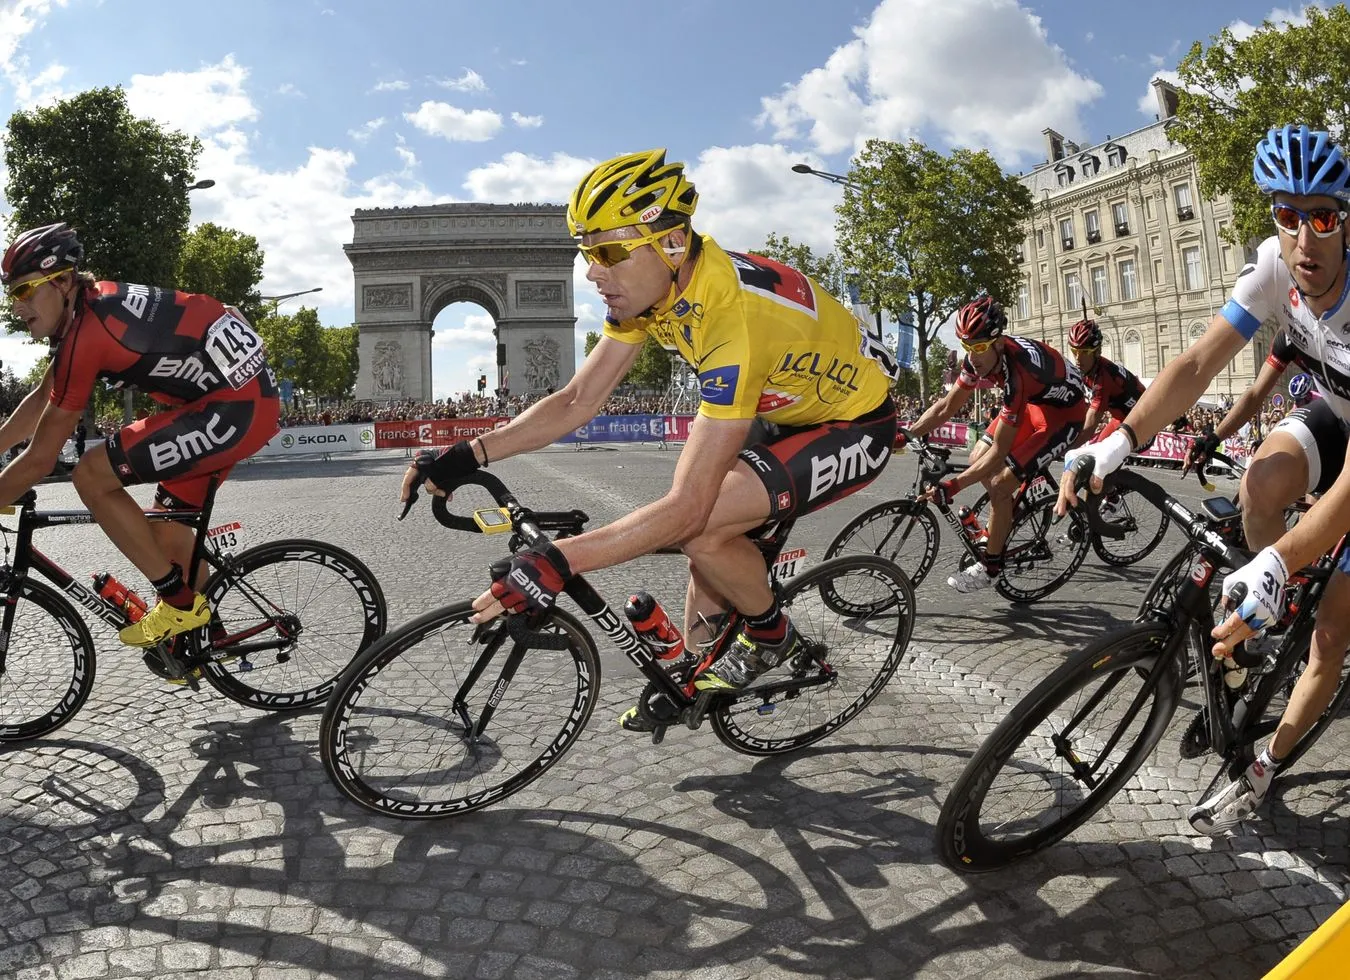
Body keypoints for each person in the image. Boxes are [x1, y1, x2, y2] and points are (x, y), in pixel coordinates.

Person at [401, 149, 899, 704]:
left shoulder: (735, 320)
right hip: (779, 407)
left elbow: (687, 508)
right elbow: (575, 401)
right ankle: (707, 656)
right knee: (703, 595)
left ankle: (770, 635)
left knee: (702, 527)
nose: (592, 271)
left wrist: (559, 561)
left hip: (853, 423)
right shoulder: (652, 288)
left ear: (671, 242)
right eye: (587, 251)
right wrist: (465, 455)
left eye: (610, 250)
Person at [1058, 125, 1350, 834]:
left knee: (1331, 639)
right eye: (1288, 215)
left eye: (1323, 217)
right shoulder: (1274, 268)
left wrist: (1286, 557)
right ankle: (1255, 629)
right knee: (1259, 482)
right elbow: (1197, 363)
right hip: (1338, 410)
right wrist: (1120, 441)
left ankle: (1263, 770)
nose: (1304, 239)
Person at [0, 222, 281, 651]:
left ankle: (179, 604)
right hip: (230, 398)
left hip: (235, 406)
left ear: (61, 281)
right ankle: (203, 641)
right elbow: (41, 402)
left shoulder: (90, 332)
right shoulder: (90, 308)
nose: (15, 307)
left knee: (92, 475)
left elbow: (40, 458)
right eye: (10, 295)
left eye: (23, 292)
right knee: (169, 532)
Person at [905, 297, 1087, 593]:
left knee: (1001, 484)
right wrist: (908, 434)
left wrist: (954, 486)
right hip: (1036, 404)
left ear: (998, 342)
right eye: (967, 347)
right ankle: (999, 522)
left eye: (978, 348)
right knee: (978, 453)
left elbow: (1000, 452)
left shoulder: (1019, 373)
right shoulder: (978, 358)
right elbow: (947, 406)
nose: (973, 357)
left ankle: (991, 567)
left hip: (1065, 417)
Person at [1066, 317, 1147, 450]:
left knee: (1099, 460)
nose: (1078, 359)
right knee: (1095, 457)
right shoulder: (1089, 369)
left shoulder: (1103, 379)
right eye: (1075, 352)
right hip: (1121, 421)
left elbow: (1089, 428)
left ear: (1097, 352)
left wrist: (1061, 450)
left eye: (1084, 352)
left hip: (1141, 425)